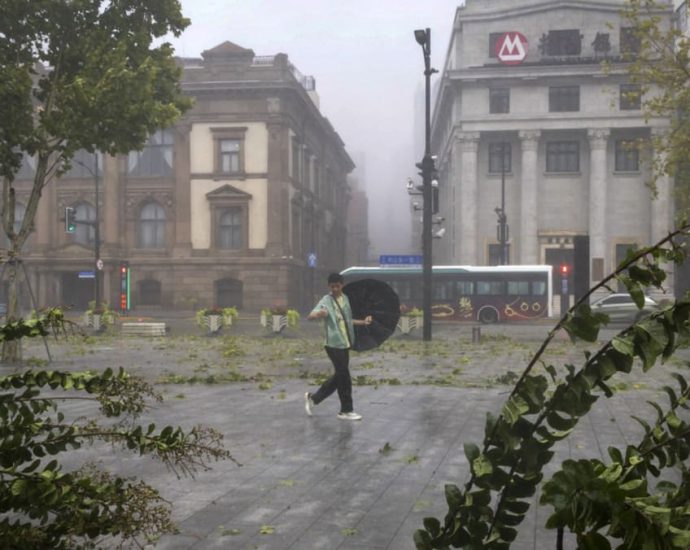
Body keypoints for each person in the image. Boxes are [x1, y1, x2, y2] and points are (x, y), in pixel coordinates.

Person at [304, 272, 372, 420]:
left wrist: (363, 322)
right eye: (332, 286)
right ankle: (346, 410)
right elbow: (310, 315)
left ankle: (314, 398)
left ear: (342, 285)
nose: (335, 289)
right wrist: (319, 314)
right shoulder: (326, 300)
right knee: (345, 377)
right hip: (333, 344)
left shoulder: (345, 299)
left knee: (340, 376)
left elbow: (348, 320)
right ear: (329, 286)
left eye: (337, 286)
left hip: (345, 343)